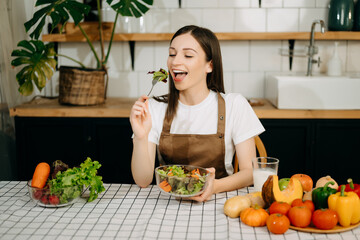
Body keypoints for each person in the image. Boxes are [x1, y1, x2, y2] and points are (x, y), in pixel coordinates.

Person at [130, 25, 265, 202]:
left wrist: (214, 186)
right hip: (169, 205)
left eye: (188, 55)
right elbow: (143, 180)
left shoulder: (234, 105)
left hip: (220, 200)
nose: (175, 62)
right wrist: (141, 136)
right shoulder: (155, 107)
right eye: (172, 54)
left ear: (210, 65)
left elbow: (249, 173)